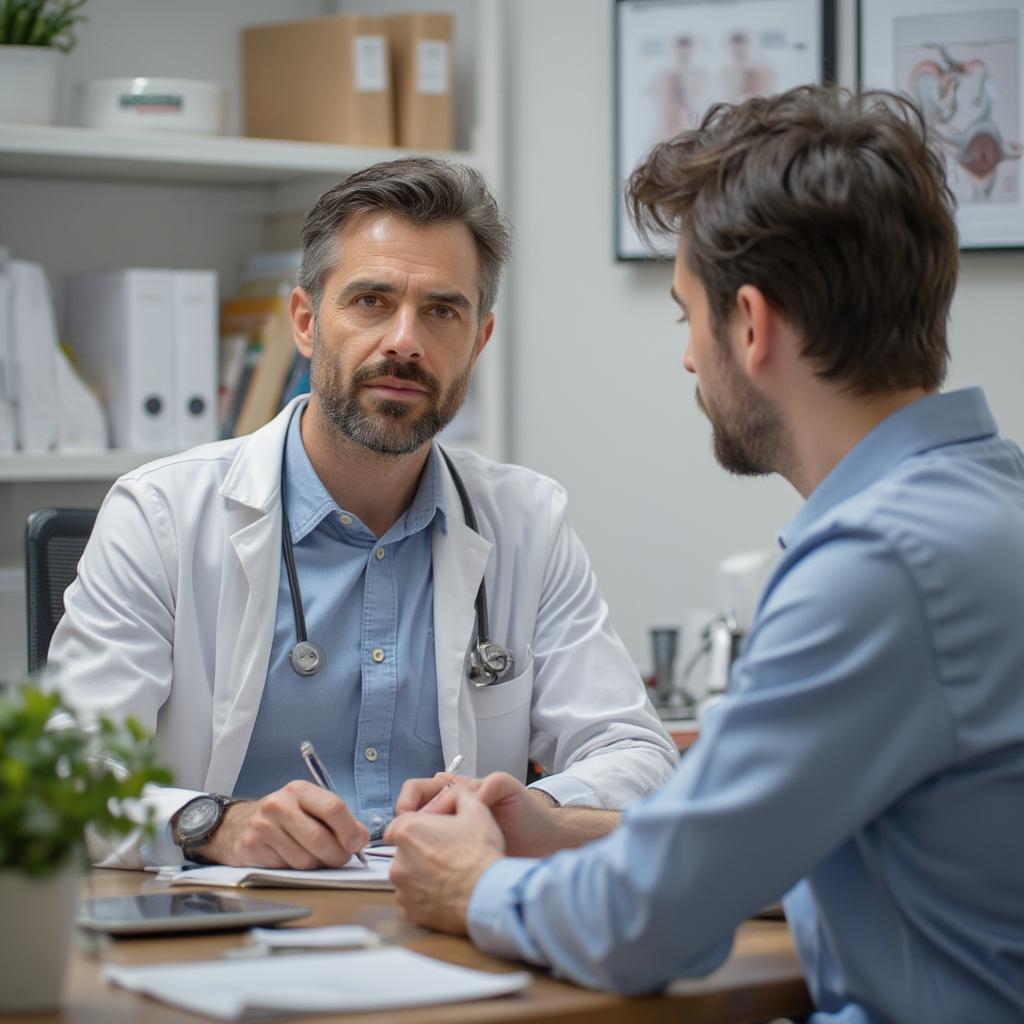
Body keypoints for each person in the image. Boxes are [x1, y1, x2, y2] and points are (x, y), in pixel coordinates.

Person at [385, 86, 1024, 1023]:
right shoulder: (989, 505)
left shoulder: (876, 567)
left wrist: (474, 885)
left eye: (687, 314)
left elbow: (647, 927)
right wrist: (565, 832)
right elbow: (786, 840)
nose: (688, 357)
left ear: (753, 326)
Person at [49, 157, 677, 870]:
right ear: (307, 322)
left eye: (443, 311)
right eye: (372, 301)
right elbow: (69, 779)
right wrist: (216, 825)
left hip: (449, 923)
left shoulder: (526, 522)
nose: (405, 341)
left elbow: (635, 753)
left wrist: (538, 810)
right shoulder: (160, 515)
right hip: (224, 929)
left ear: (479, 341)